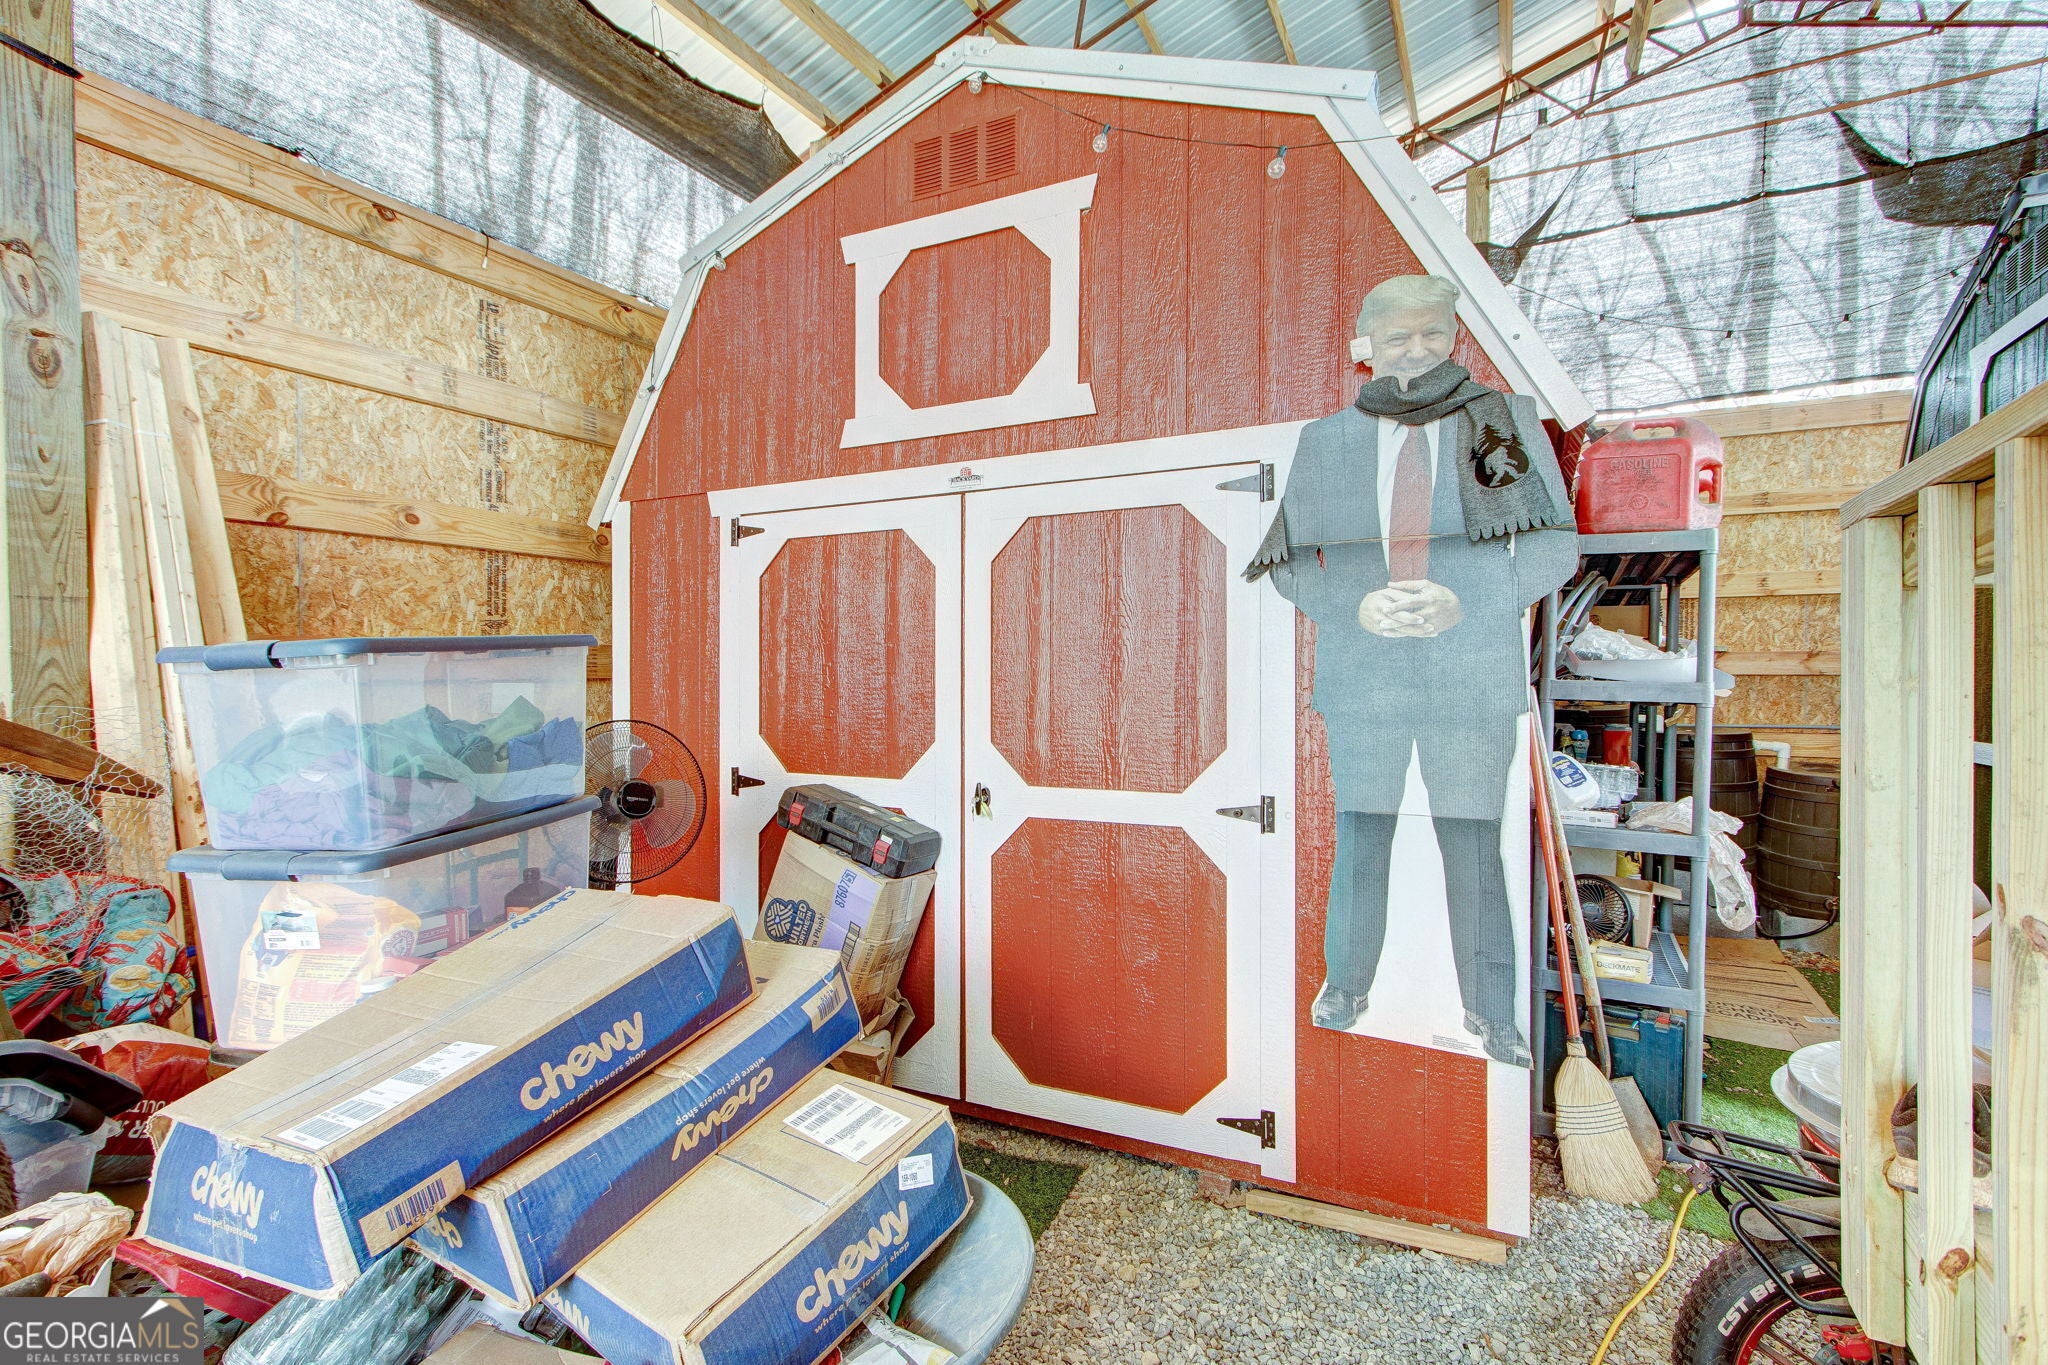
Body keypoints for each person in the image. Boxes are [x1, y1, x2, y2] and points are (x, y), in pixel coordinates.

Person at [1247, 273, 1579, 1065]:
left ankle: (1491, 1012)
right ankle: (1346, 985)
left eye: (1432, 332)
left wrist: (1467, 600)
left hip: (1471, 676)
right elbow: (1287, 561)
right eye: (1398, 337)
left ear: (1453, 336)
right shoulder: (1328, 441)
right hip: (1365, 679)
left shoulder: (1500, 421)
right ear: (1368, 348)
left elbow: (1554, 545)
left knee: (1472, 841)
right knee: (1363, 833)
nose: (1417, 349)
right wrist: (1355, 605)